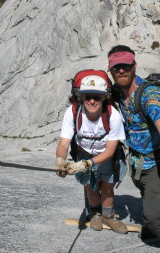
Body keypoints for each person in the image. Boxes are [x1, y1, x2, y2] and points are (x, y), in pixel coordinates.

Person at [107, 45, 160, 253]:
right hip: (136, 161)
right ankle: (154, 226)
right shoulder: (116, 92)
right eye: (117, 68)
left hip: (156, 162)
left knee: (153, 218)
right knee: (152, 200)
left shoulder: (149, 93)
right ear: (111, 70)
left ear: (134, 66)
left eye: (125, 66)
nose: (121, 71)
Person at [55, 74, 128, 234]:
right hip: (84, 154)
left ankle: (108, 216)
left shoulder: (113, 116)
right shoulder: (72, 113)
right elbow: (63, 143)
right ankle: (95, 214)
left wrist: (86, 164)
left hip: (107, 157)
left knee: (108, 189)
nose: (92, 101)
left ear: (104, 97)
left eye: (97, 96)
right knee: (91, 189)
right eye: (87, 96)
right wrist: (60, 160)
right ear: (80, 97)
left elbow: (110, 151)